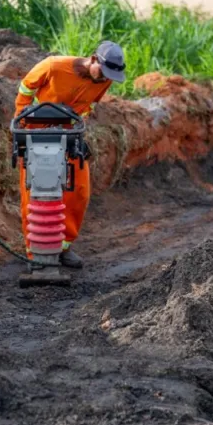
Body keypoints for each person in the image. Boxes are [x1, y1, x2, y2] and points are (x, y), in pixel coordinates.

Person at [14, 41, 126, 269]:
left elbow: (88, 105)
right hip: (37, 133)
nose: (105, 79)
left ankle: (62, 247)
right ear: (94, 59)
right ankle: (36, 252)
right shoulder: (53, 66)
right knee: (35, 193)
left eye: (110, 76)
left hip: (69, 133)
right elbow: (25, 89)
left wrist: (77, 129)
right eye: (103, 72)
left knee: (79, 192)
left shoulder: (103, 81)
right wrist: (22, 126)